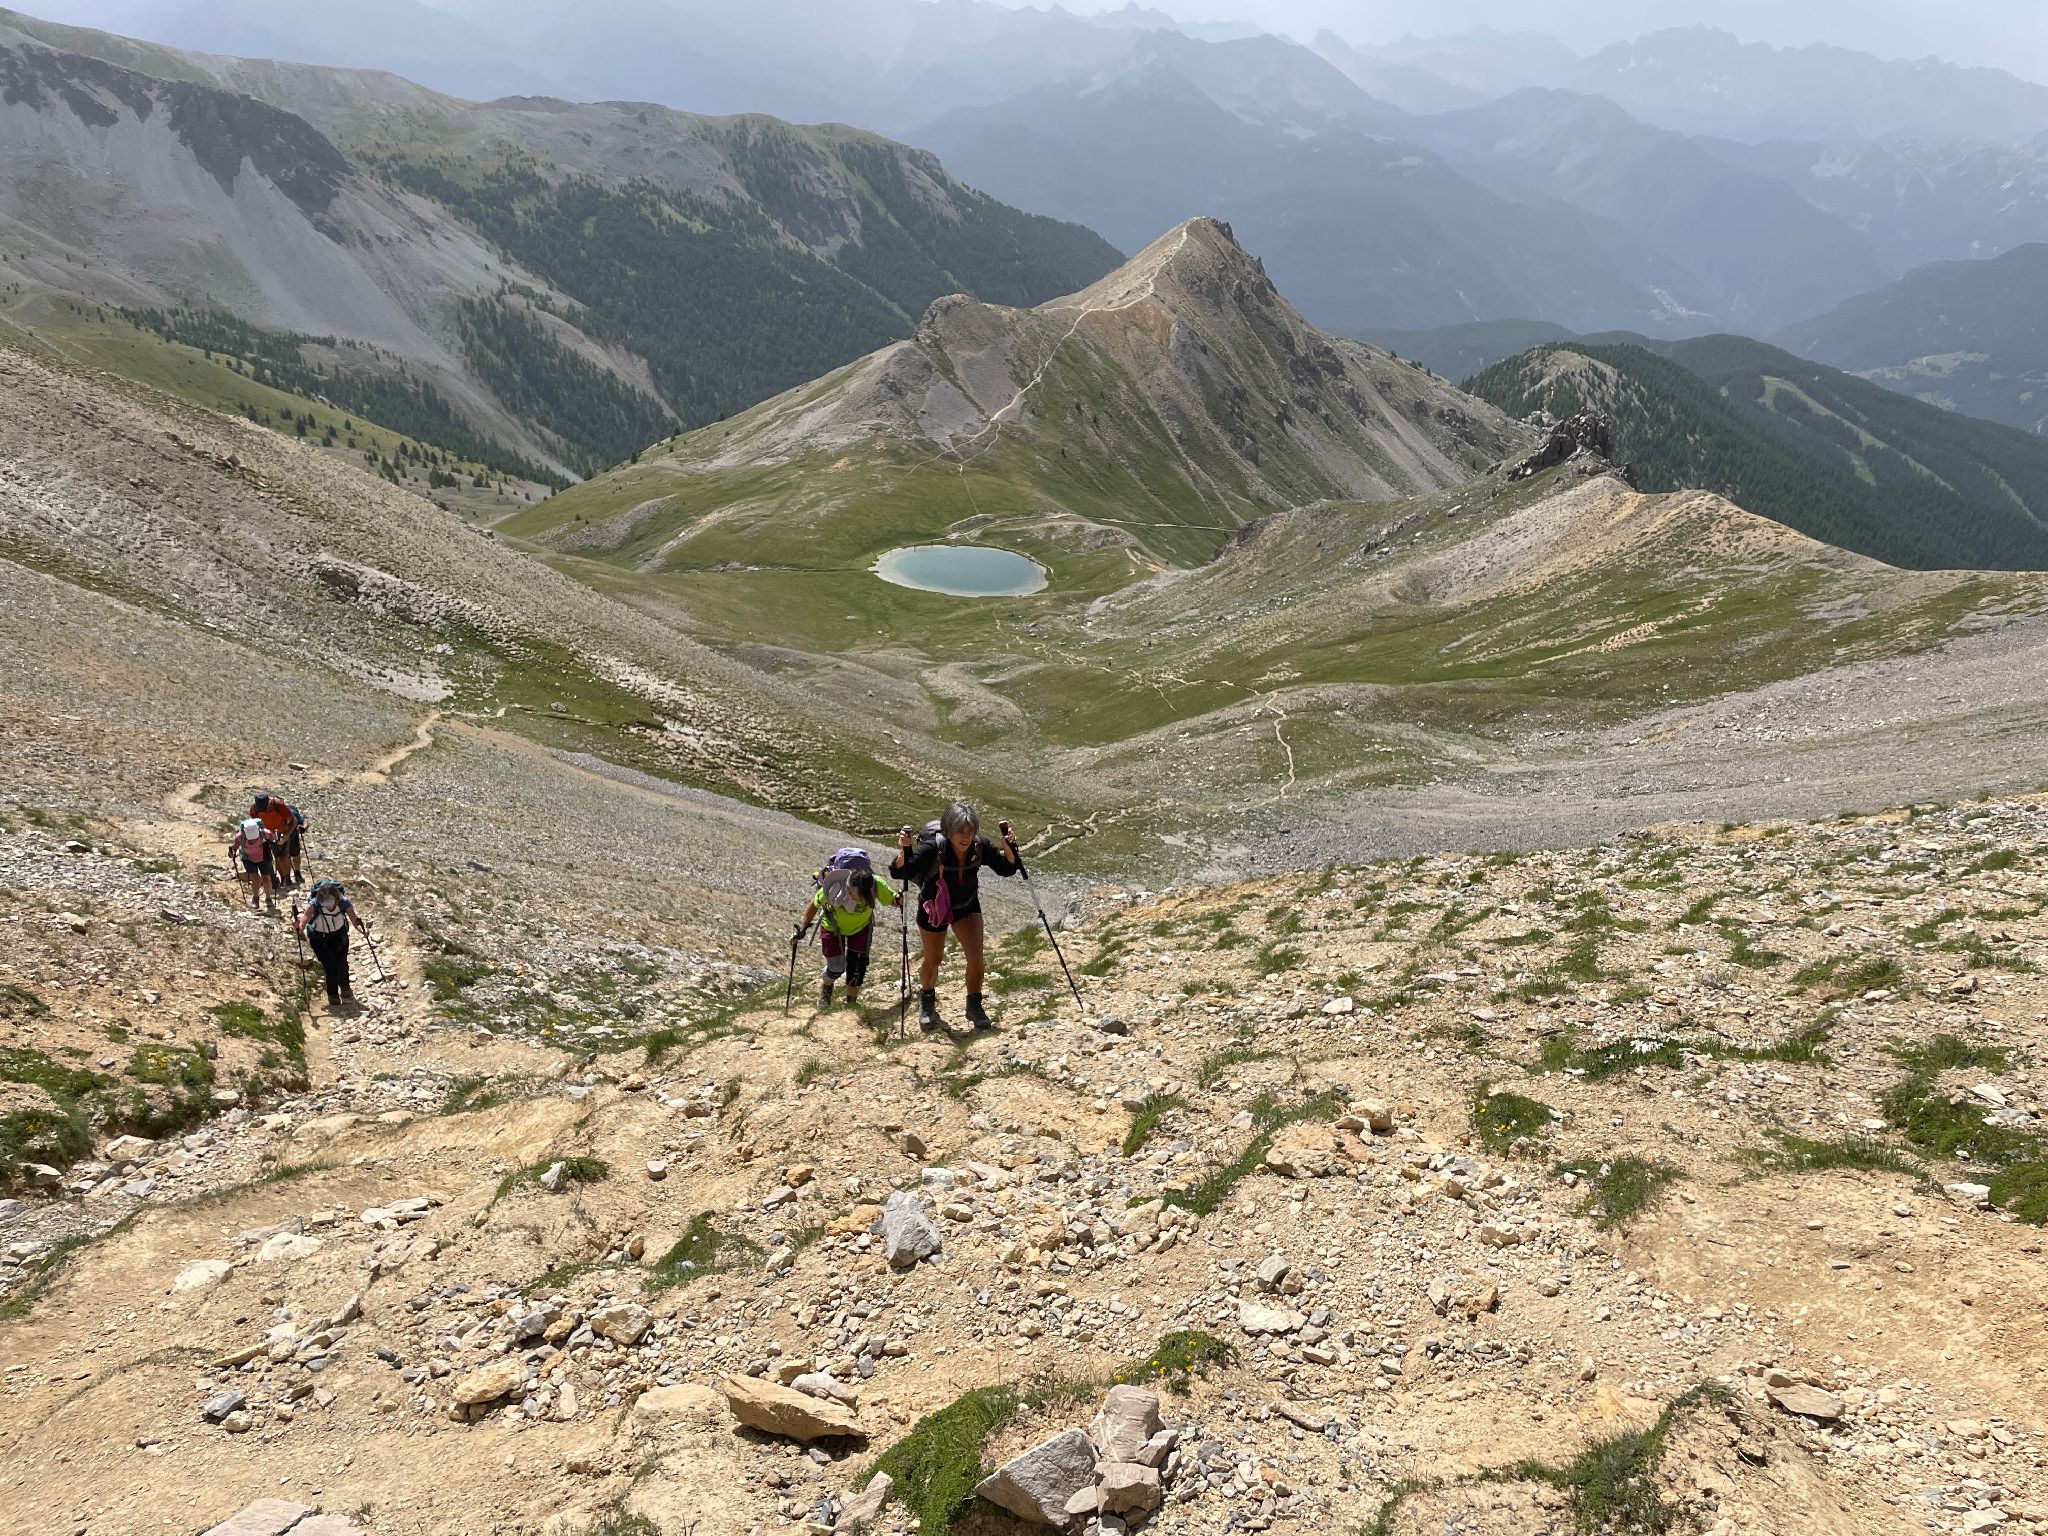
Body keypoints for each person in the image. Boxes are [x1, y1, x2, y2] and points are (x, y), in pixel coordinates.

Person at [891, 801, 1020, 1032]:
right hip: (934, 908)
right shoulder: (932, 848)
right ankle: (927, 1002)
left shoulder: (979, 847)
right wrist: (904, 850)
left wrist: (1008, 847)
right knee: (934, 959)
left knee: (976, 958)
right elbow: (901, 872)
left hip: (966, 906)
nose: (966, 836)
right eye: (960, 831)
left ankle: (974, 1006)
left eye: (970, 830)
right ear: (948, 831)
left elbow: (1007, 869)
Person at [794, 851, 901, 1010]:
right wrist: (802, 929)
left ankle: (851, 1004)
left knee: (857, 967)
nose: (853, 897)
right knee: (836, 968)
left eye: (857, 895)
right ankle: (826, 989)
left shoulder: (876, 884)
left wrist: (899, 900)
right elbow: (814, 905)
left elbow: (892, 900)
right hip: (832, 926)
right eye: (852, 893)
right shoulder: (834, 885)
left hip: (861, 927)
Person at [296, 878, 371, 1008]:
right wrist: (300, 928)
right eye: (326, 904)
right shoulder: (314, 904)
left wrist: (362, 931)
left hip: (339, 936)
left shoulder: (344, 902)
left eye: (331, 903)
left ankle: (345, 987)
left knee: (342, 962)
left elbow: (354, 920)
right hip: (319, 939)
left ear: (336, 899)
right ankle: (333, 994)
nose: (329, 907)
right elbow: (305, 918)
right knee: (330, 966)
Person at [227, 813, 277, 913]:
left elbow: (274, 840)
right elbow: (234, 848)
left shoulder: (265, 833)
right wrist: (232, 853)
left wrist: (276, 843)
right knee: (256, 879)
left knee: (266, 878)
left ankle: (268, 898)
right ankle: (256, 898)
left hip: (263, 856)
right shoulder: (240, 837)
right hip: (247, 858)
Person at [252, 793, 303, 889]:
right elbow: (254, 822)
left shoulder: (278, 805)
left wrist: (286, 836)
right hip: (266, 834)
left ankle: (287, 879)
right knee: (271, 858)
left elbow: (293, 821)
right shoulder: (254, 808)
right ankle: (281, 879)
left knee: (282, 857)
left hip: (281, 832)